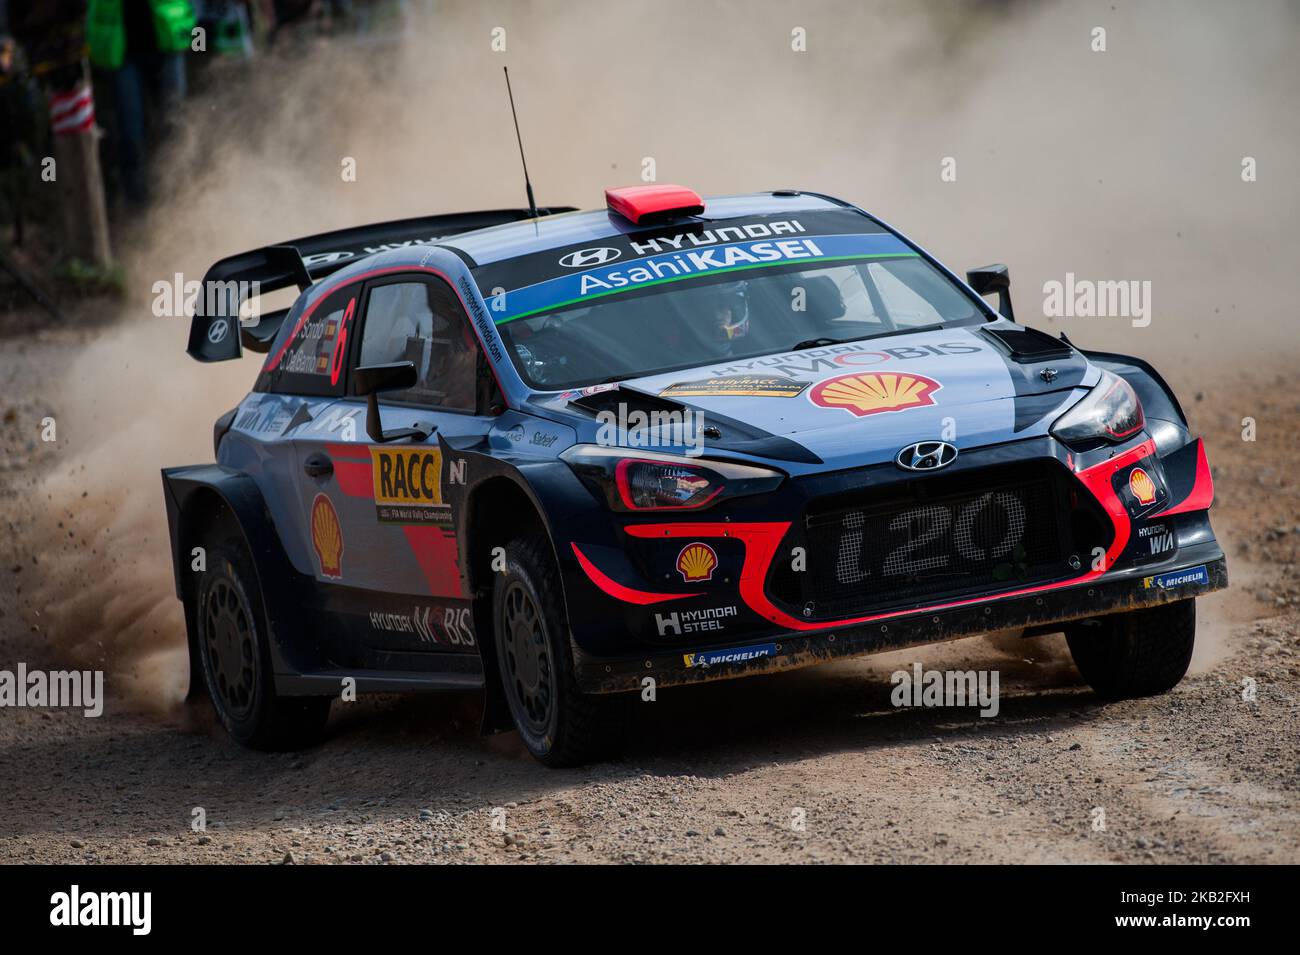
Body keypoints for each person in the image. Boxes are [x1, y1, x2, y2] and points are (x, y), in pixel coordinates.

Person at [86, 0, 194, 206]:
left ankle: (182, 201)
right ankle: (140, 213)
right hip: (120, 49)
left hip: (167, 35)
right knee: (131, 138)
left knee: (174, 128)